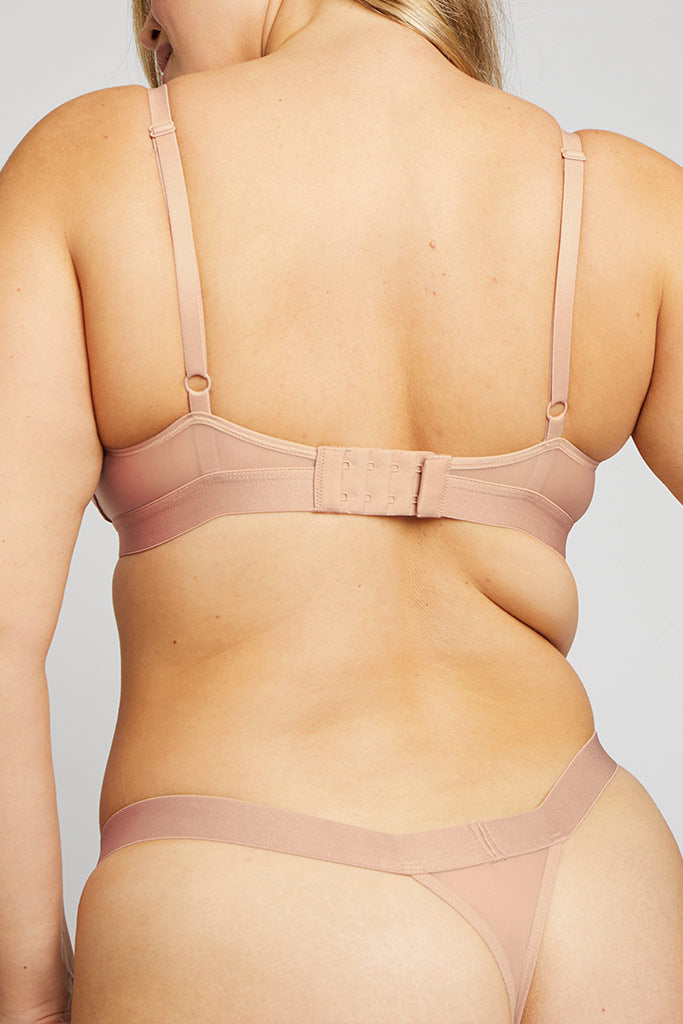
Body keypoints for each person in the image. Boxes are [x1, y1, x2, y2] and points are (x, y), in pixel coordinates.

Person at [0, 0, 681, 1021]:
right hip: (604, 886)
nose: (145, 32)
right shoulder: (625, 195)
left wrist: (26, 1000)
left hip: (260, 897)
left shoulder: (91, 165)